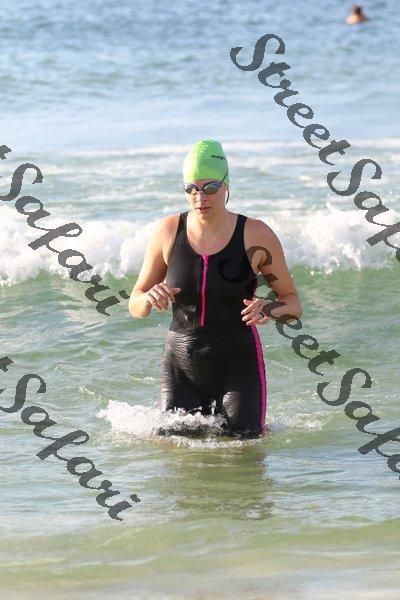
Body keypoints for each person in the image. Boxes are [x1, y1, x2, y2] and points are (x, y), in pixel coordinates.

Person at [129, 139, 302, 438]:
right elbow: (135, 303)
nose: (200, 197)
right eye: (191, 189)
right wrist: (147, 298)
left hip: (238, 365)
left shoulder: (256, 234)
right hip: (181, 364)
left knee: (244, 451)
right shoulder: (168, 231)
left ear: (226, 186)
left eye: (210, 187)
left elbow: (293, 304)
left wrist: (269, 308)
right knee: (175, 452)